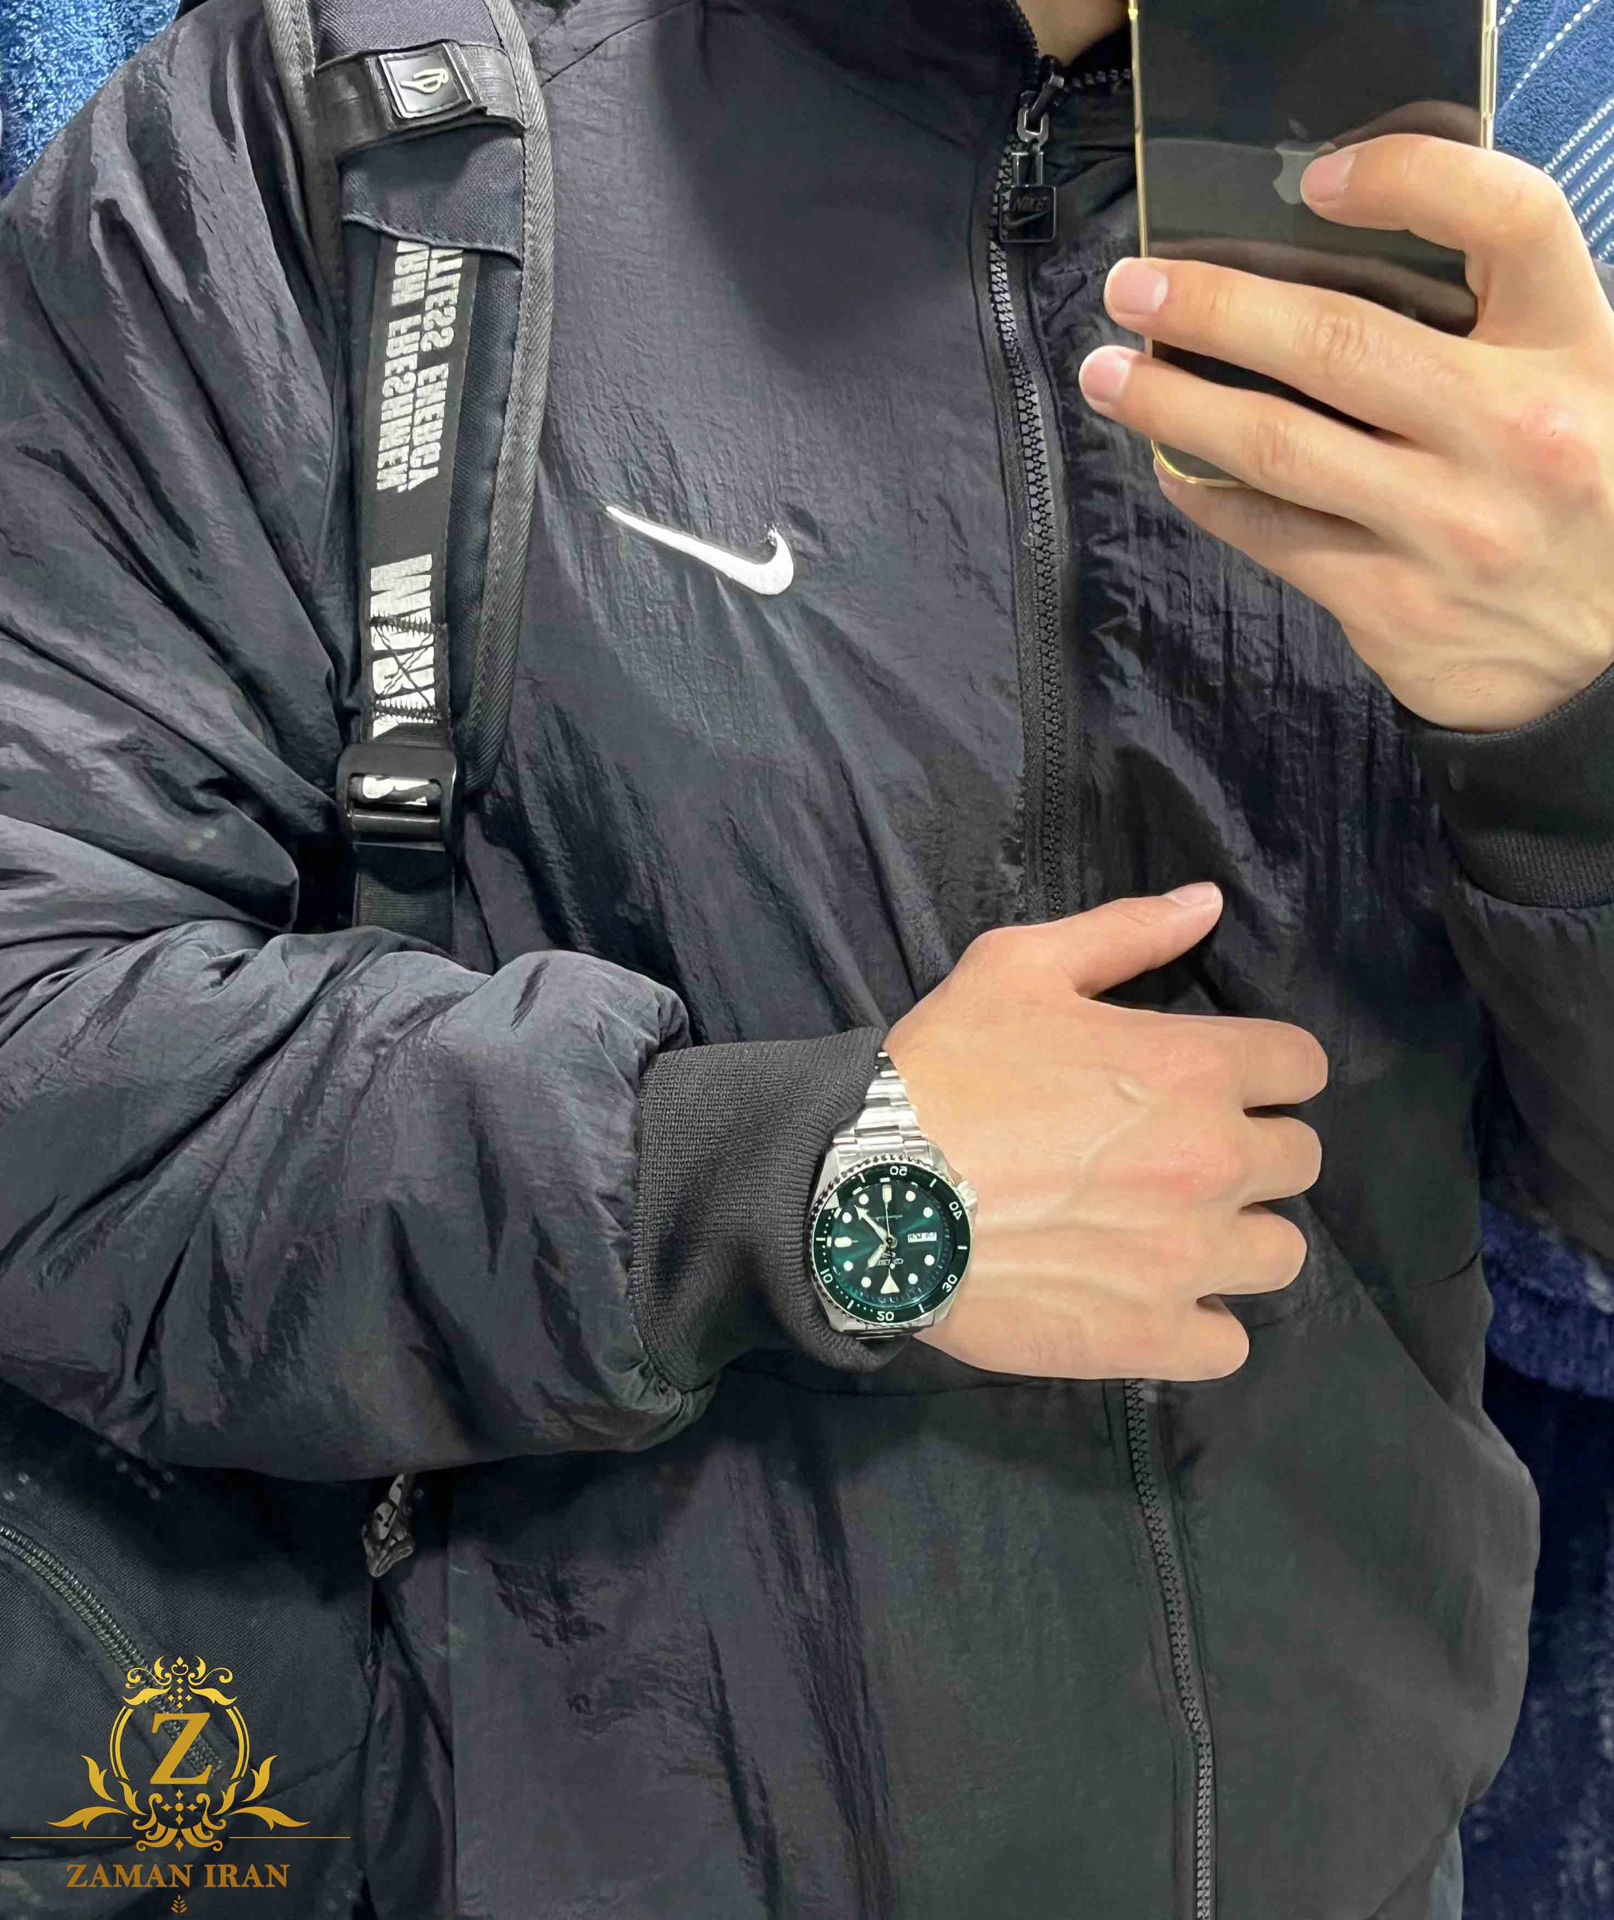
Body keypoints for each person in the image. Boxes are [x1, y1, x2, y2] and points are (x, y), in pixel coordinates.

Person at [2, 0, 1612, 1915]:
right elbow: (41, 1059)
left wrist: (1573, 731)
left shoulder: (1498, 232)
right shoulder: (363, 134)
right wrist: (816, 1184)